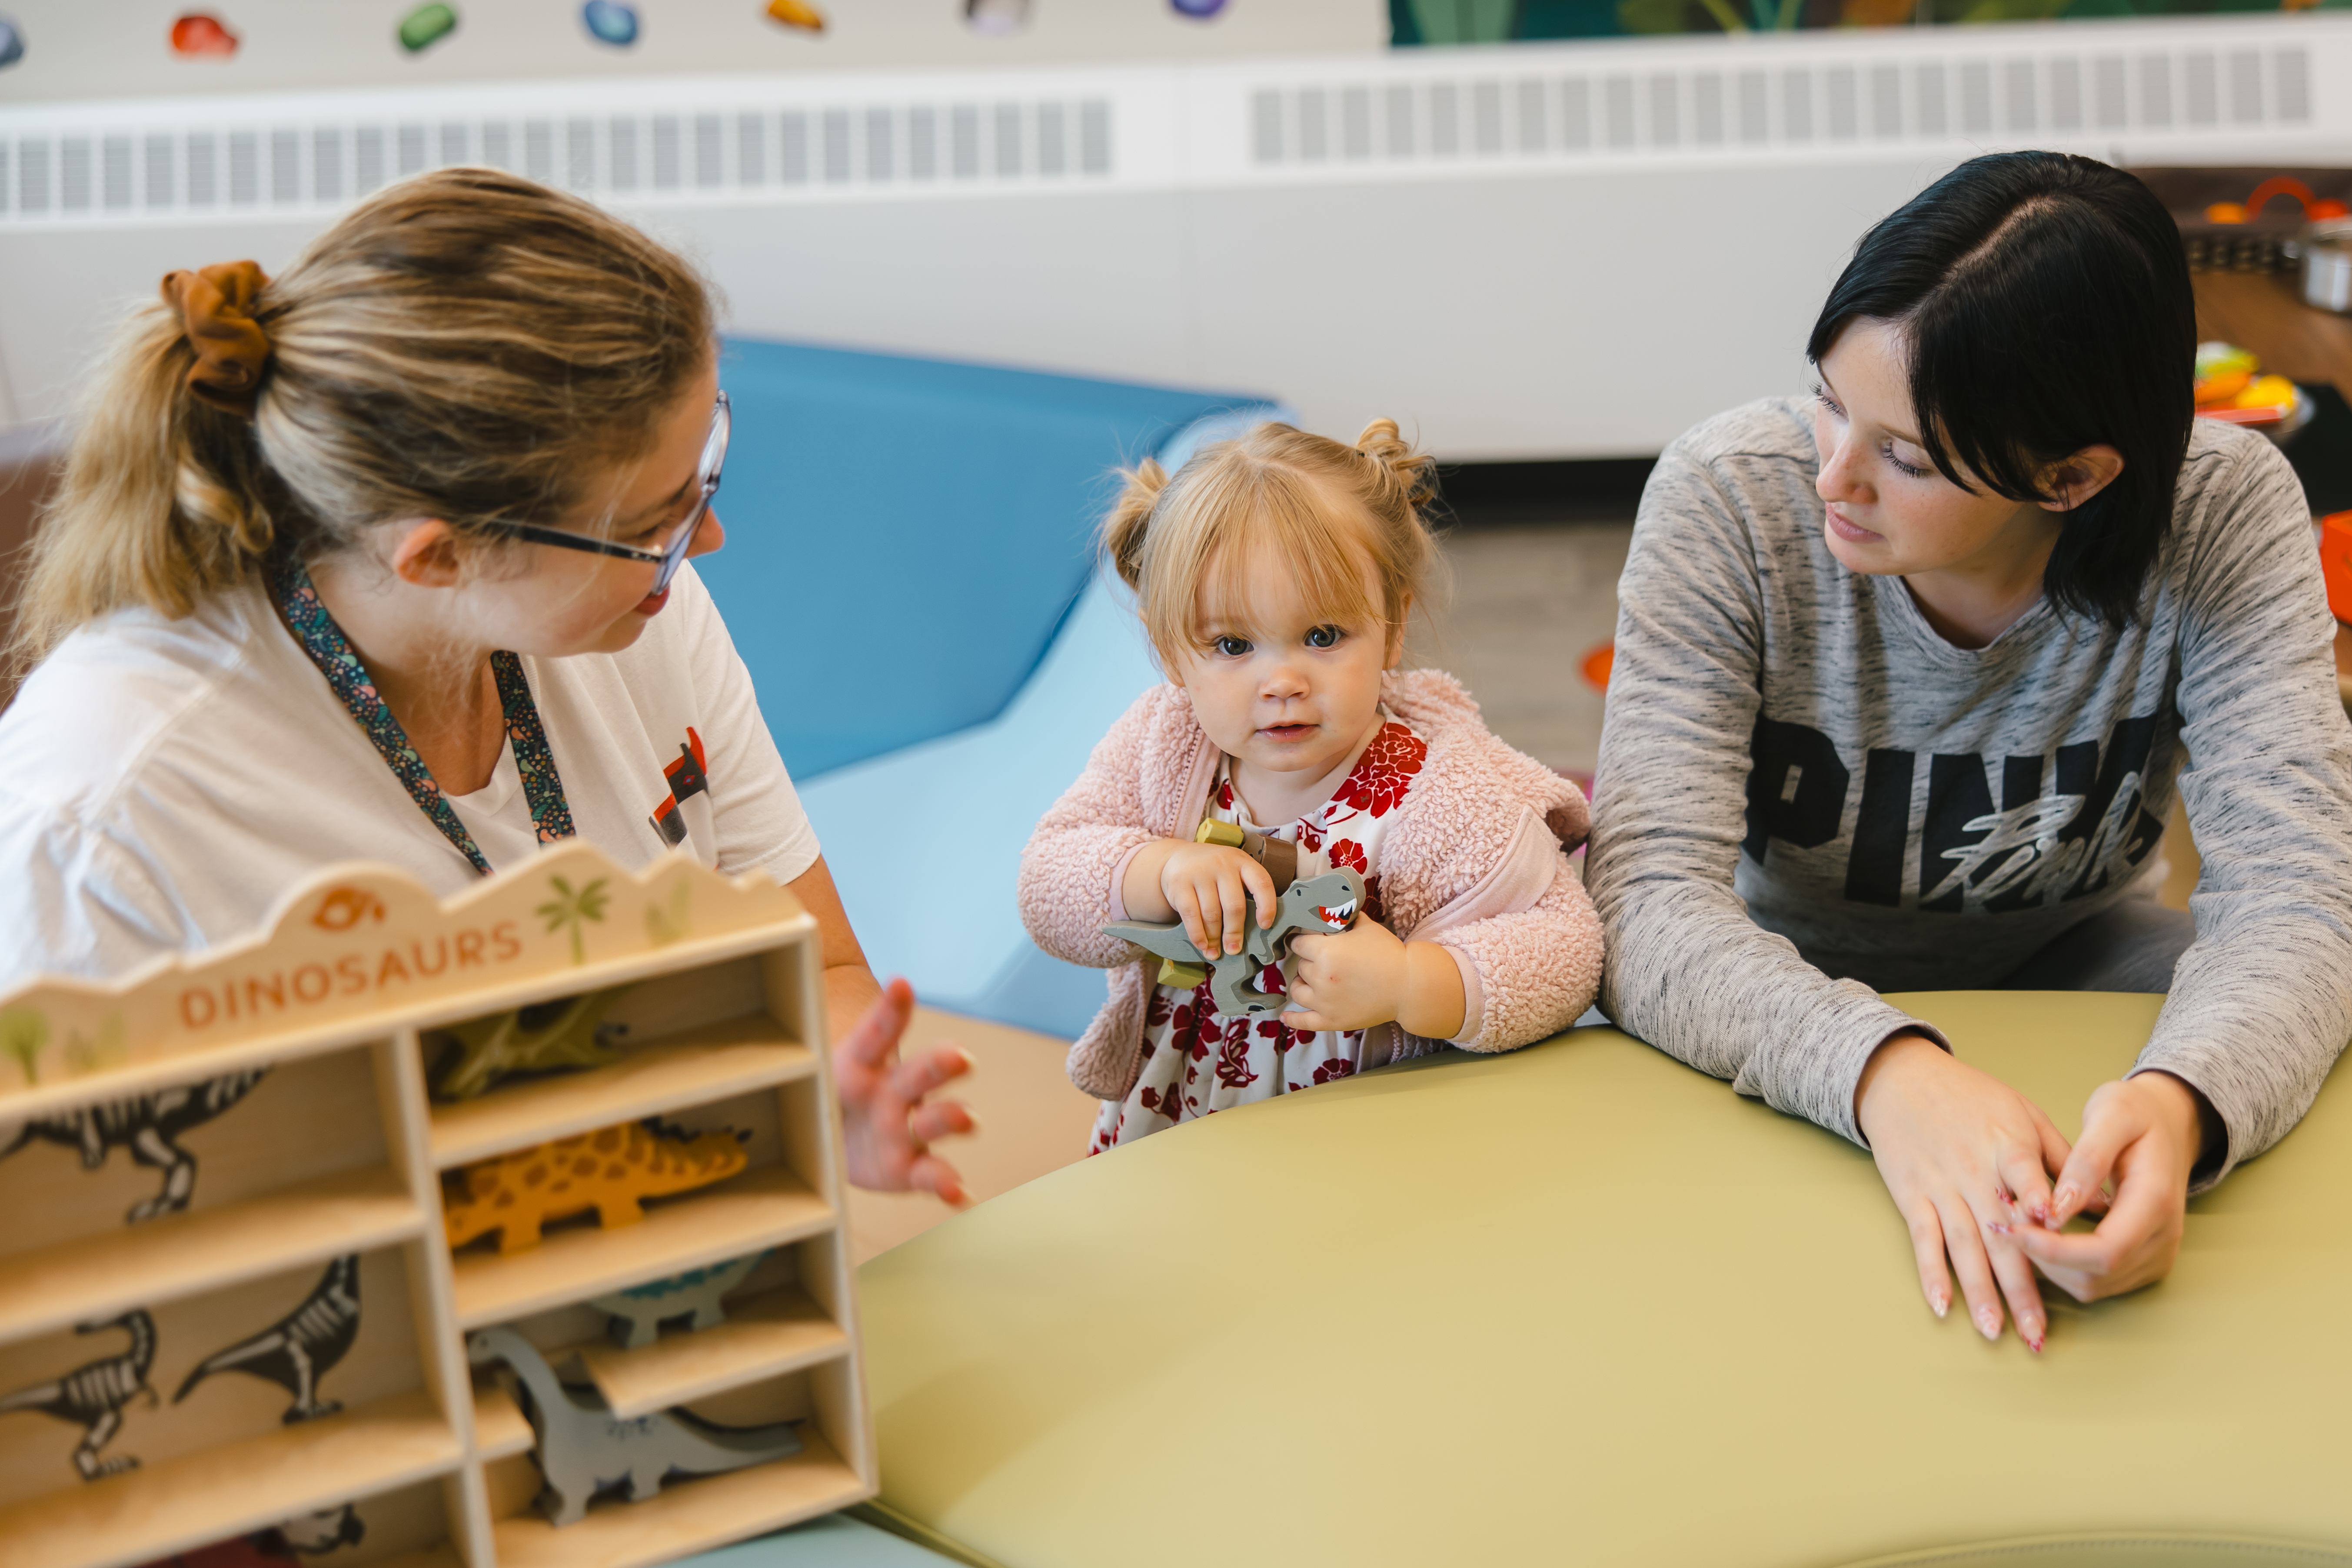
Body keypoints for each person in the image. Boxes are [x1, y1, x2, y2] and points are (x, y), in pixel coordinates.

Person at [0, 168, 973, 1205]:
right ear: (438, 558)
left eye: (703, 480)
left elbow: (815, 967)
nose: (704, 545)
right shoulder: (104, 817)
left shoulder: (641, 611)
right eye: (654, 520)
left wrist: (833, 1099)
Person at [1586, 151, 2352, 1350]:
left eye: (1903, 455)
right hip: (1775, 967)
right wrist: (1888, 1072)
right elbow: (1640, 901)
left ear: (2072, 477)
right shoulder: (1727, 497)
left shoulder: (2219, 512)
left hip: (2081, 953)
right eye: (1832, 401)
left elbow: (2301, 895)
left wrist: (2182, 1104)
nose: (1830, 474)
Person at [1019, 420, 1603, 1150]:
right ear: (1172, 653)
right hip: (1177, 1123)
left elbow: (1566, 951)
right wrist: (1156, 871)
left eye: (1324, 637)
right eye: (1233, 646)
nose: (1284, 683)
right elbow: (1048, 881)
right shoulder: (1164, 741)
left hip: (1366, 1141)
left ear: (1391, 629)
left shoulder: (1441, 789)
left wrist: (1410, 983)